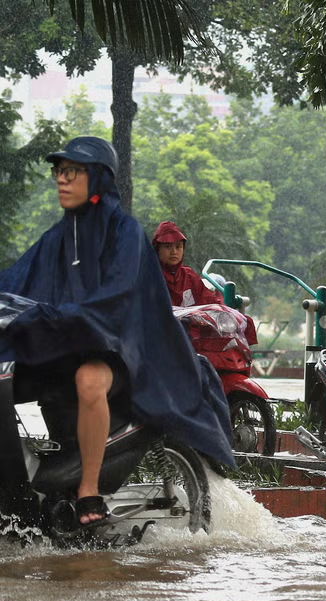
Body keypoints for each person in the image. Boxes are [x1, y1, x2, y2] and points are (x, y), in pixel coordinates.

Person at [0, 136, 235, 526]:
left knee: (89, 381)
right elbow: (17, 279)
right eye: (59, 172)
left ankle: (88, 490)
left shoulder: (126, 233)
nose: (62, 180)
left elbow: (118, 294)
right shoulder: (58, 237)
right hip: (69, 344)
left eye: (72, 172)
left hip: (125, 349)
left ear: (98, 179)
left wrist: (63, 316)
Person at [153, 221, 223, 307]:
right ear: (157, 249)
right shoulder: (148, 277)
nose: (174, 252)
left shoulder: (189, 277)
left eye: (178, 247)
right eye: (168, 246)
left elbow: (211, 303)